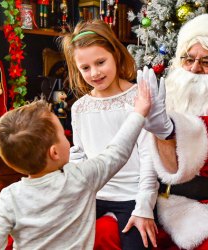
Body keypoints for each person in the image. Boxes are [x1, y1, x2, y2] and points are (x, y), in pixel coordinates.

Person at [98, 13, 208, 249]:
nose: (194, 68)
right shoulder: (164, 100)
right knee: (103, 233)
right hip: (152, 203)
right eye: (188, 59)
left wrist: (171, 129)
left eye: (207, 61)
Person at [0, 79, 152, 250]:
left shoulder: (9, 197)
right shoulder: (80, 178)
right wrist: (138, 113)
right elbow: (117, 152)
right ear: (54, 152)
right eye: (63, 135)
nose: (68, 140)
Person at [61, 19, 159, 249]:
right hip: (93, 198)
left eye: (100, 62)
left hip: (132, 198)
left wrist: (144, 206)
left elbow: (149, 158)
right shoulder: (80, 108)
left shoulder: (139, 99)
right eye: (85, 68)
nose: (94, 73)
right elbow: (82, 157)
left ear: (115, 54)